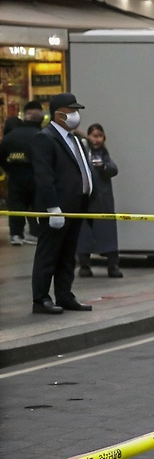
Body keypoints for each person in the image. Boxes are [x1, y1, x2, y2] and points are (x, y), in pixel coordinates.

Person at [30, 93, 97, 315]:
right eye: (71, 111)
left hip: (77, 206)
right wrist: (52, 207)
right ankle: (41, 299)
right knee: (48, 254)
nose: (75, 116)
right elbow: (44, 176)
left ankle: (64, 295)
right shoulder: (45, 138)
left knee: (68, 255)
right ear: (59, 114)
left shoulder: (74, 138)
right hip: (57, 208)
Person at [76, 123, 121, 278]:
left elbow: (113, 169)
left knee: (107, 233)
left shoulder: (103, 154)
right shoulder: (82, 151)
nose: (96, 140)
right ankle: (84, 264)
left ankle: (113, 265)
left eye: (99, 136)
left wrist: (103, 167)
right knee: (84, 233)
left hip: (103, 202)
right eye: (93, 136)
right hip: (86, 201)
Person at [1, 100, 44, 244]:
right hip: (37, 176)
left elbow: (1, 157)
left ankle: (16, 235)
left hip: (15, 175)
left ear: (25, 115)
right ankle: (35, 232)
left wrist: (10, 169)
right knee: (37, 205)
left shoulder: (10, 136)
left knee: (16, 205)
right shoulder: (43, 136)